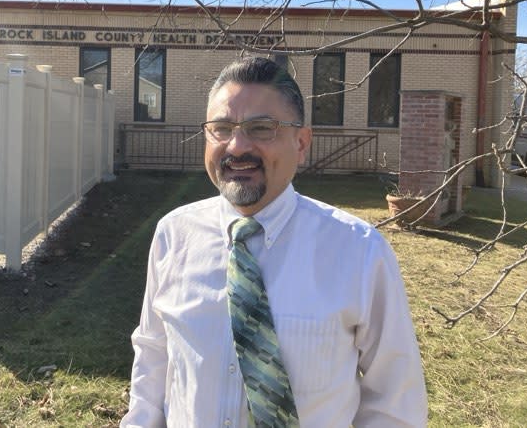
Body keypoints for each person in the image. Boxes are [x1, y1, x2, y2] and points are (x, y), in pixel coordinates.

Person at [121, 56, 427, 427]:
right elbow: (154, 353)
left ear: (301, 142)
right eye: (221, 128)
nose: (236, 146)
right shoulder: (173, 235)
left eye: (261, 128)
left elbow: (395, 400)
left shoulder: (359, 251)